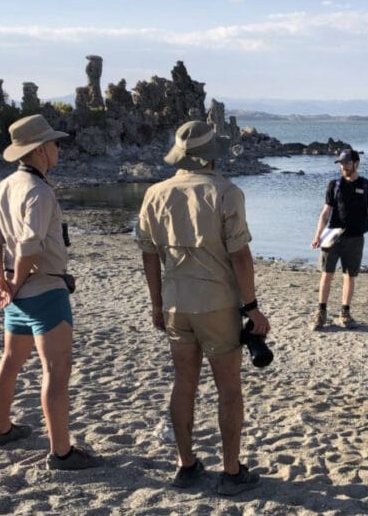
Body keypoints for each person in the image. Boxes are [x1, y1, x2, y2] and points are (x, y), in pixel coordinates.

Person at [136, 120, 269, 495]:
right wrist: (253, 308)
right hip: (217, 304)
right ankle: (230, 472)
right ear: (212, 154)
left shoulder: (155, 193)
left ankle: (186, 464)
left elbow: (148, 254)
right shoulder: (226, 192)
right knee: (228, 387)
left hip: (176, 301)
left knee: (184, 383)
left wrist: (156, 304)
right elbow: (240, 256)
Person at [0, 114, 100, 469]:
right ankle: (61, 452)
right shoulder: (39, 191)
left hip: (16, 294)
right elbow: (30, 247)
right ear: (42, 149)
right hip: (44, 289)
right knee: (56, 370)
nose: (58, 149)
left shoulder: (4, 187)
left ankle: (2, 429)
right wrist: (14, 282)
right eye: (55, 143)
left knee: (11, 361)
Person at [310, 149, 368, 330]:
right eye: (341, 163)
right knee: (327, 275)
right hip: (332, 237)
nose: (343, 166)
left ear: (356, 163)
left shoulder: (367, 186)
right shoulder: (334, 185)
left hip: (355, 238)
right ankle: (321, 312)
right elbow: (325, 213)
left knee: (350, 276)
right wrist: (318, 235)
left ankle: (345, 313)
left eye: (346, 163)